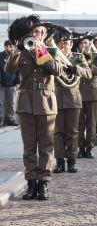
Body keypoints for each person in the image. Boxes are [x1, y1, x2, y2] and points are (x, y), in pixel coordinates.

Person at [5, 15, 64, 200]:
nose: (36, 35)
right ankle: (31, 183)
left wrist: (41, 51)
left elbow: (58, 70)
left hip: (46, 103)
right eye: (33, 32)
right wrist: (18, 49)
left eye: (39, 32)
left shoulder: (51, 49)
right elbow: (9, 69)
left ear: (45, 34)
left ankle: (43, 183)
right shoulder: (22, 50)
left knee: (46, 146)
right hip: (26, 104)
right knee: (29, 147)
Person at [52, 26, 92, 173]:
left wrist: (75, 69)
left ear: (71, 44)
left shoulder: (78, 57)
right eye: (61, 43)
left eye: (66, 43)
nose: (64, 45)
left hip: (73, 98)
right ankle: (60, 161)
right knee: (58, 132)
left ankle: (72, 160)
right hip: (56, 97)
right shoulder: (53, 57)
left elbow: (88, 73)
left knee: (73, 131)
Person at [76, 33, 97, 159]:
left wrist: (89, 65)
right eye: (82, 43)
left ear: (90, 45)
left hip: (93, 93)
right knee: (79, 124)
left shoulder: (96, 56)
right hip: (78, 93)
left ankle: (89, 148)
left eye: (86, 43)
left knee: (91, 123)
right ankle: (81, 147)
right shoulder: (75, 56)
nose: (84, 46)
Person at [0, 40, 19, 126]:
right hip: (1, 84)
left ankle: (11, 119)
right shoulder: (0, 56)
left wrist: (18, 82)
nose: (13, 48)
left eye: (14, 46)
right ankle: (1, 119)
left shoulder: (15, 56)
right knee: (0, 102)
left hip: (12, 83)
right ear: (6, 47)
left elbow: (18, 70)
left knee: (12, 103)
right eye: (11, 46)